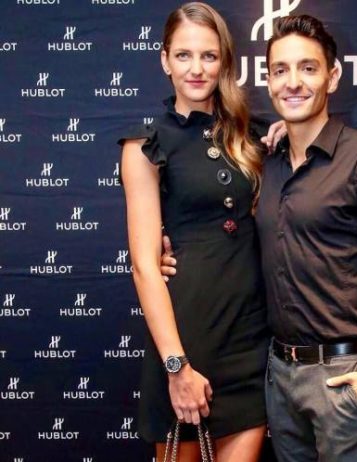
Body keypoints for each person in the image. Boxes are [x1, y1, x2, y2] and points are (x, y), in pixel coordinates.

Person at [161, 13, 357, 462]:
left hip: (346, 377)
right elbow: (227, 229)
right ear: (268, 81)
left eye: (308, 68)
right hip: (277, 375)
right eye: (280, 70)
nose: (293, 82)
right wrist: (170, 250)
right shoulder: (263, 162)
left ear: (333, 76)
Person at [119, 3, 283, 461]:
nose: (197, 69)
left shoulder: (254, 136)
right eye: (184, 55)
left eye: (209, 56)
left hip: (248, 340)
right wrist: (176, 366)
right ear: (165, 60)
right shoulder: (145, 145)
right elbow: (145, 267)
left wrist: (287, 132)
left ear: (224, 61)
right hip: (185, 337)